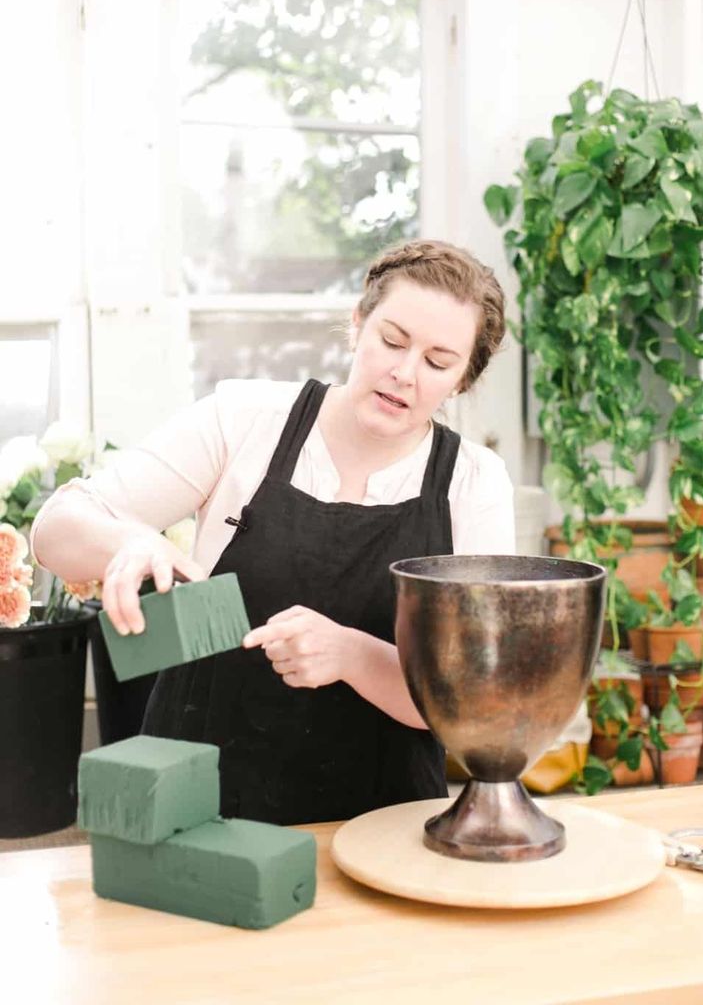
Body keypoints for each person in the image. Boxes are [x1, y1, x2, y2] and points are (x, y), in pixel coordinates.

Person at [31, 239, 515, 826]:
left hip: (379, 821)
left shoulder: (474, 484)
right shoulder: (243, 420)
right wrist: (129, 540)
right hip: (198, 805)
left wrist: (353, 655)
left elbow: (470, 703)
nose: (404, 373)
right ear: (358, 324)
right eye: (391, 340)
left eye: (438, 362)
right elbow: (55, 530)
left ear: (462, 381)